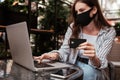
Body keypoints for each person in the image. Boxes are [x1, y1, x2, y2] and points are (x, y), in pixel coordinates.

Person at [34, 0, 116, 80]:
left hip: (93, 69)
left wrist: (93, 58)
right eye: (77, 12)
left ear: (94, 10)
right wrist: (54, 55)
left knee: (88, 73)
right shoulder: (73, 27)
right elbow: (65, 50)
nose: (79, 14)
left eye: (82, 10)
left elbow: (101, 62)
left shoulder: (108, 32)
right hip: (71, 65)